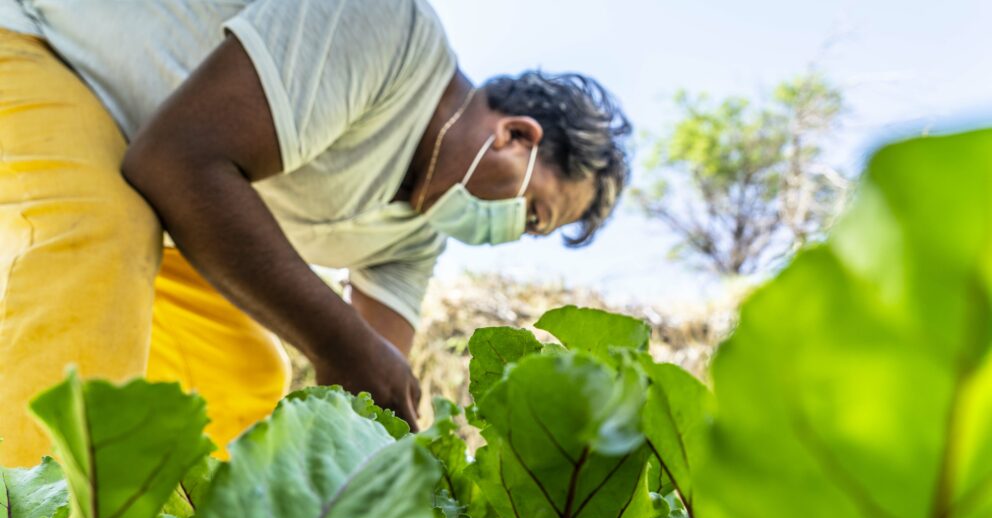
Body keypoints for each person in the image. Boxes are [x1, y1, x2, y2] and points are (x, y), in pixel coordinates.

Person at [0, 0, 631, 466]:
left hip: (146, 186)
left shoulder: (413, 236)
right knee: (103, 235)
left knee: (246, 369)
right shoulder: (388, 31)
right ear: (515, 136)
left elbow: (374, 387)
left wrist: (401, 475)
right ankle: (26, 517)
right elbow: (178, 161)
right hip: (44, 47)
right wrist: (341, 345)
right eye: (533, 214)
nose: (512, 233)